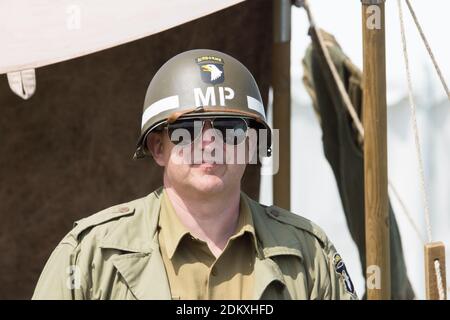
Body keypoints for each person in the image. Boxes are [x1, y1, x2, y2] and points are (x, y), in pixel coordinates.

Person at [32, 49, 357, 300]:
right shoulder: (91, 254)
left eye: (230, 127)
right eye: (187, 128)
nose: (209, 142)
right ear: (158, 148)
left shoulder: (309, 255)